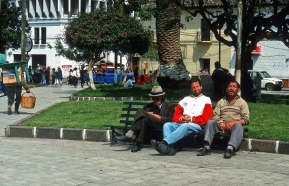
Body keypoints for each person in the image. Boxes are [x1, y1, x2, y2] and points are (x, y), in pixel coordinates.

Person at [151, 78, 213, 155]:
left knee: (185, 125)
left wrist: (190, 119)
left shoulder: (206, 99)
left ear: (201, 87)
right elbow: (176, 115)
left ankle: (164, 143)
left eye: (197, 86)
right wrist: (182, 118)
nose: (195, 89)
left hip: (198, 125)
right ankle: (169, 149)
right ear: (191, 89)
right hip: (182, 123)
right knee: (167, 125)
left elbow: (206, 118)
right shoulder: (185, 99)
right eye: (193, 87)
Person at [196, 80, 250, 159]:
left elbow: (246, 119)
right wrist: (221, 123)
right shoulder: (221, 102)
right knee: (210, 122)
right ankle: (206, 147)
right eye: (230, 86)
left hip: (234, 126)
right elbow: (215, 115)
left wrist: (233, 123)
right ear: (226, 89)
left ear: (238, 90)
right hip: (221, 125)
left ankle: (230, 148)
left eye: (234, 87)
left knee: (239, 126)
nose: (231, 88)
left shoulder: (242, 103)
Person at [115, 86, 175, 152]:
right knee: (143, 120)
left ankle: (129, 133)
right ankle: (138, 144)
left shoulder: (169, 106)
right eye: (153, 98)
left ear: (162, 96)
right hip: (148, 124)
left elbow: (169, 120)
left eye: (157, 98)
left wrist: (155, 115)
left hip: (160, 123)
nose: (155, 100)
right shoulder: (148, 106)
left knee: (140, 112)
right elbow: (142, 117)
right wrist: (148, 115)